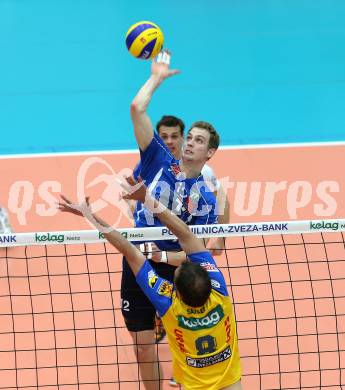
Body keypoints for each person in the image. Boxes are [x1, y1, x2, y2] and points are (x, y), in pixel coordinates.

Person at [58, 177, 242, 390]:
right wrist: (147, 199)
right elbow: (187, 235)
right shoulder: (218, 290)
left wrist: (90, 215)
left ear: (178, 293)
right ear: (208, 278)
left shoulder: (168, 303)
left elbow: (130, 251)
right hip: (231, 384)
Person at [123, 49, 222, 389]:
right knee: (142, 348)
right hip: (137, 263)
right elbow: (137, 109)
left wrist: (160, 256)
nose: (191, 143)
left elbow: (196, 253)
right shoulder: (158, 160)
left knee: (187, 344)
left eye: (199, 140)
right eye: (189, 137)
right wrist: (156, 77)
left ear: (209, 153)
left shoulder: (206, 200)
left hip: (175, 271)